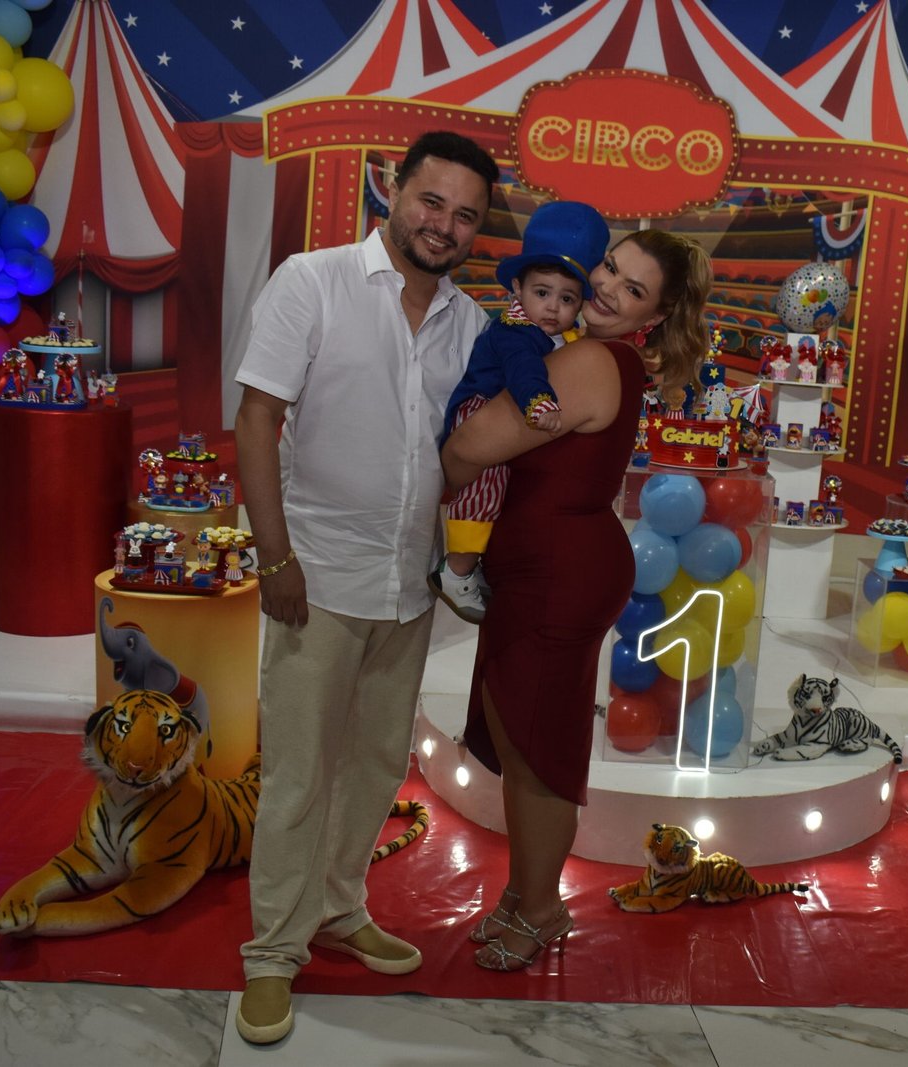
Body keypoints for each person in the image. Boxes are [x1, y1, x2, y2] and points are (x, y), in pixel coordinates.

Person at [229, 130, 499, 1046]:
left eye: (466, 215)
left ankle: (339, 907)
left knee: (378, 764)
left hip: (408, 586)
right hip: (316, 577)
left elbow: (465, 451)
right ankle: (272, 952)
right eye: (432, 201)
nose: (444, 225)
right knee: (299, 773)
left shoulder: (471, 325)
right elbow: (257, 418)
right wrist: (274, 558)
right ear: (393, 188)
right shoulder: (314, 281)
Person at [441, 229, 713, 972]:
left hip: (557, 579)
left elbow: (470, 447)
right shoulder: (584, 350)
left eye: (633, 289)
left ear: (654, 315)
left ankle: (541, 908)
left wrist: (423, 474)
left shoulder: (593, 359)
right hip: (543, 572)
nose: (608, 288)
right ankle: (523, 893)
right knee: (524, 743)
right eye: (610, 268)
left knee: (538, 756)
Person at [428, 200, 611, 624]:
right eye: (541, 293)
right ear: (517, 288)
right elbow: (524, 369)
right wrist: (539, 403)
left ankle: (474, 561)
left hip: (509, 405)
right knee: (487, 484)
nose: (552, 307)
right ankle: (456, 569)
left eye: (566, 298)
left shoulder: (562, 337)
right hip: (483, 405)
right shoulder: (516, 330)